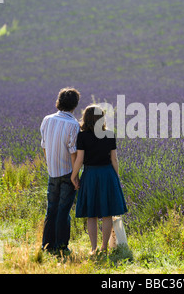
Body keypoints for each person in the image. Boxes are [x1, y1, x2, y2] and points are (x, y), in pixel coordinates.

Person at [72, 104, 128, 255]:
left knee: (92, 214)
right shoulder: (109, 134)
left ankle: (93, 248)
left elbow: (79, 159)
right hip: (107, 174)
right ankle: (104, 247)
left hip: (90, 175)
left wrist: (73, 175)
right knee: (107, 212)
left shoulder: (82, 136)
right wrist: (115, 177)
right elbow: (114, 159)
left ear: (86, 119)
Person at [40, 87, 81, 253]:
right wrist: (75, 176)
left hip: (52, 171)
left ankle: (46, 245)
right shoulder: (73, 124)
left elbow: (44, 147)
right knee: (63, 210)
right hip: (67, 172)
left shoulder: (47, 120)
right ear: (75, 105)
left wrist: (50, 163)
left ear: (59, 101)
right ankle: (61, 246)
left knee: (51, 209)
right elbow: (73, 153)